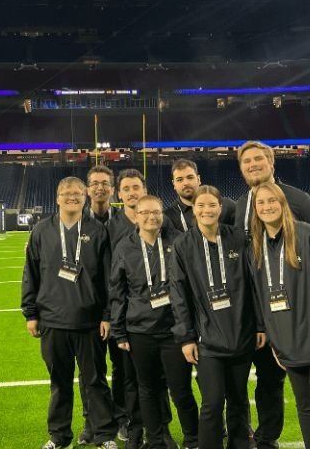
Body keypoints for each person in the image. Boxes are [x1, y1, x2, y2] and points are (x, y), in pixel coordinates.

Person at [234, 140, 310, 449]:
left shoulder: (298, 202)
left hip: (309, 322)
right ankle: (266, 439)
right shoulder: (241, 205)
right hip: (272, 323)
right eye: (247, 161)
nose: (253, 164)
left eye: (259, 158)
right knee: (280, 389)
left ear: (272, 163)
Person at [21, 176, 118, 449]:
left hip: (89, 321)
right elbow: (30, 273)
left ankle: (104, 435)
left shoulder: (98, 231)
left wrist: (107, 314)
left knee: (95, 381)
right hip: (52, 320)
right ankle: (59, 436)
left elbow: (107, 278)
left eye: (76, 193)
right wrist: (31, 313)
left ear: (85, 197)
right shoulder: (41, 230)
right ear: (57, 198)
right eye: (66, 193)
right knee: (59, 383)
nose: (71, 197)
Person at [169, 185, 266, 449]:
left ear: (220, 208)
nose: (206, 210)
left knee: (238, 399)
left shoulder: (237, 238)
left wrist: (258, 324)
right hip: (206, 340)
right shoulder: (183, 245)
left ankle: (239, 445)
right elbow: (178, 294)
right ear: (194, 211)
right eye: (201, 206)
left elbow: (253, 285)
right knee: (212, 402)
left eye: (211, 205)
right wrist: (186, 337)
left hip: (241, 333)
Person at [110, 195, 199, 449]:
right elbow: (117, 292)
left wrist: (190, 329)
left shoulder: (178, 242)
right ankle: (156, 438)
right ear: (136, 216)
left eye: (156, 212)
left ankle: (193, 438)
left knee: (181, 389)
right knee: (147, 389)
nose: (151, 217)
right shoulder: (124, 247)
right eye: (145, 212)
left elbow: (191, 287)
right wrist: (120, 331)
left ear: (163, 215)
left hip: (174, 329)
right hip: (140, 330)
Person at [107, 169, 176, 449]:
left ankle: (161, 430)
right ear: (119, 194)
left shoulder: (165, 224)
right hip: (132, 321)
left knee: (159, 381)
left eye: (137, 187)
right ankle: (135, 429)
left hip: (164, 322)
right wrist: (115, 323)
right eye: (126, 188)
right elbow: (111, 280)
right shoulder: (112, 228)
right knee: (131, 379)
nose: (132, 192)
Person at [79, 165, 127, 445]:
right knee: (90, 371)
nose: (100, 188)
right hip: (88, 308)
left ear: (112, 189)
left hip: (120, 307)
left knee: (122, 368)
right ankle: (92, 421)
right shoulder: (74, 222)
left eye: (105, 183)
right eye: (95, 183)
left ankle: (121, 418)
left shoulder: (123, 221)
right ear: (87, 189)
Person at [164, 158, 235, 233]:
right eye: (179, 180)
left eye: (190, 177)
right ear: (174, 184)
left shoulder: (226, 206)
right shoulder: (167, 217)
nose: (186, 183)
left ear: (198, 179)